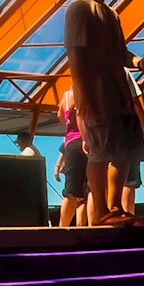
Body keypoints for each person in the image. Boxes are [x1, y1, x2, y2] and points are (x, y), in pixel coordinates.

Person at [62, 0, 144, 226]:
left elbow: (122, 53)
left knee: (125, 149)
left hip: (117, 91)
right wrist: (84, 96)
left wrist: (140, 62)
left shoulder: (112, 13)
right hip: (95, 93)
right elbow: (75, 56)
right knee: (99, 151)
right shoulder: (79, 8)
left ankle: (113, 207)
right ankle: (99, 211)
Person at [54, 79, 90, 227]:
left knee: (74, 192)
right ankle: (84, 228)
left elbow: (60, 116)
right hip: (85, 141)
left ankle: (63, 228)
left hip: (71, 142)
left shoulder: (66, 95)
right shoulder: (86, 93)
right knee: (86, 192)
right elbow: (83, 115)